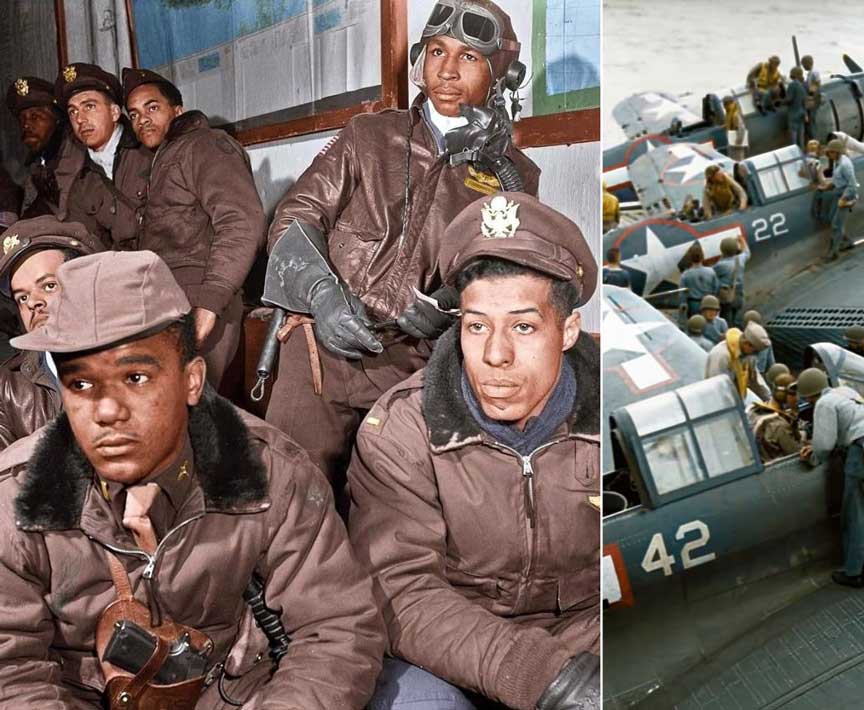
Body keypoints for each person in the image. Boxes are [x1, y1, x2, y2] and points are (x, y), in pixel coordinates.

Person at [0, 250, 385, 708]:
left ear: (192, 380)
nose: (105, 411)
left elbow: (337, 628)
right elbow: (13, 671)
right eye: (80, 384)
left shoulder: (269, 471)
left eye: (136, 377)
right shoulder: (16, 496)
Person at [262, 0, 540, 481]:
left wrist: (450, 306)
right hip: (318, 356)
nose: (447, 70)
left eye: (469, 57)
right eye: (436, 51)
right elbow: (296, 216)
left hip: (415, 368)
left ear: (502, 75)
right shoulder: (368, 136)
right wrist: (322, 295)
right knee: (290, 492)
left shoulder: (515, 177)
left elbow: (504, 271)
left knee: (391, 510)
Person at [349, 193, 599, 710]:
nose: (495, 356)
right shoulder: (401, 428)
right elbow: (399, 589)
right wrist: (538, 675)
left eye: (523, 327)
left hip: (586, 647)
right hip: (447, 651)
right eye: (477, 325)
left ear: (568, 330)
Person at [123, 68, 266, 387]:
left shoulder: (205, 144)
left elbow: (242, 221)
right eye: (133, 114)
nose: (142, 119)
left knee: (183, 406)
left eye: (152, 107)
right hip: (163, 300)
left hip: (198, 295)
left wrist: (209, 303)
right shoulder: (159, 160)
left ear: (178, 110)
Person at [0, 216, 106, 448]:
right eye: (22, 297)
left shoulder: (143, 351)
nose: (33, 303)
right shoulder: (8, 388)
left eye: (49, 286)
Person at [796, 367, 864, 588]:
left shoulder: (824, 404)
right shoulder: (845, 392)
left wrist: (813, 457)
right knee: (862, 511)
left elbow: (824, 445)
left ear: (808, 394)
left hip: (858, 453)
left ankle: (853, 573)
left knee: (852, 516)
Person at [53, 63, 151, 250]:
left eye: (89, 106)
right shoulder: (82, 186)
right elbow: (87, 248)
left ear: (114, 112)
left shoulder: (149, 152)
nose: (80, 119)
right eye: (72, 111)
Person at [5, 76, 67, 219]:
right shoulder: (36, 168)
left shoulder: (76, 159)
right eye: (22, 119)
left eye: (35, 117)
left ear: (57, 119)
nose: (25, 125)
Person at [705, 321, 772, 400]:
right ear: (747, 344)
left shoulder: (747, 356)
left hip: (737, 401)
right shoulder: (721, 356)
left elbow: (756, 382)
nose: (755, 355)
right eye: (755, 351)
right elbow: (717, 389)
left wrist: (770, 400)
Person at [815, 139, 858, 260]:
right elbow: (836, 180)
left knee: (836, 224)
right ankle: (848, 242)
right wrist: (826, 187)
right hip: (837, 192)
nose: (829, 155)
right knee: (831, 218)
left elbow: (852, 185)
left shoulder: (845, 165)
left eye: (831, 152)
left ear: (837, 152)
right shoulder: (836, 162)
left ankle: (833, 252)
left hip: (846, 194)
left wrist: (844, 199)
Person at [750, 372, 802, 461]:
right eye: (793, 395)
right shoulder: (779, 425)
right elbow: (797, 453)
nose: (797, 399)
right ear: (783, 394)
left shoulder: (755, 411)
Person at [713, 234, 750, 325]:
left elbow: (712, 275)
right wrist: (742, 240)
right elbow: (747, 253)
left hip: (726, 297)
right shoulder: (740, 260)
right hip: (739, 295)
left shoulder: (720, 266)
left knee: (726, 321)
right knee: (736, 320)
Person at [680, 244, 719, 316]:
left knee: (696, 325)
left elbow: (682, 293)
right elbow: (716, 288)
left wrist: (683, 304)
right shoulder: (711, 272)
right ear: (702, 257)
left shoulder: (685, 275)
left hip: (693, 305)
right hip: (709, 304)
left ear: (690, 258)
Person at [786, 66, 808, 149]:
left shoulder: (792, 85)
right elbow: (805, 101)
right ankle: (801, 152)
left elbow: (789, 99)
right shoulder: (803, 85)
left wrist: (781, 102)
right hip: (802, 113)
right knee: (801, 136)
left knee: (793, 138)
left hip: (793, 114)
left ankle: (795, 153)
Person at [723, 96, 750, 161]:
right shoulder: (729, 113)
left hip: (736, 144)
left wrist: (738, 142)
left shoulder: (735, 115)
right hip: (732, 141)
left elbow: (741, 129)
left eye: (725, 104)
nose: (724, 106)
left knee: (738, 161)